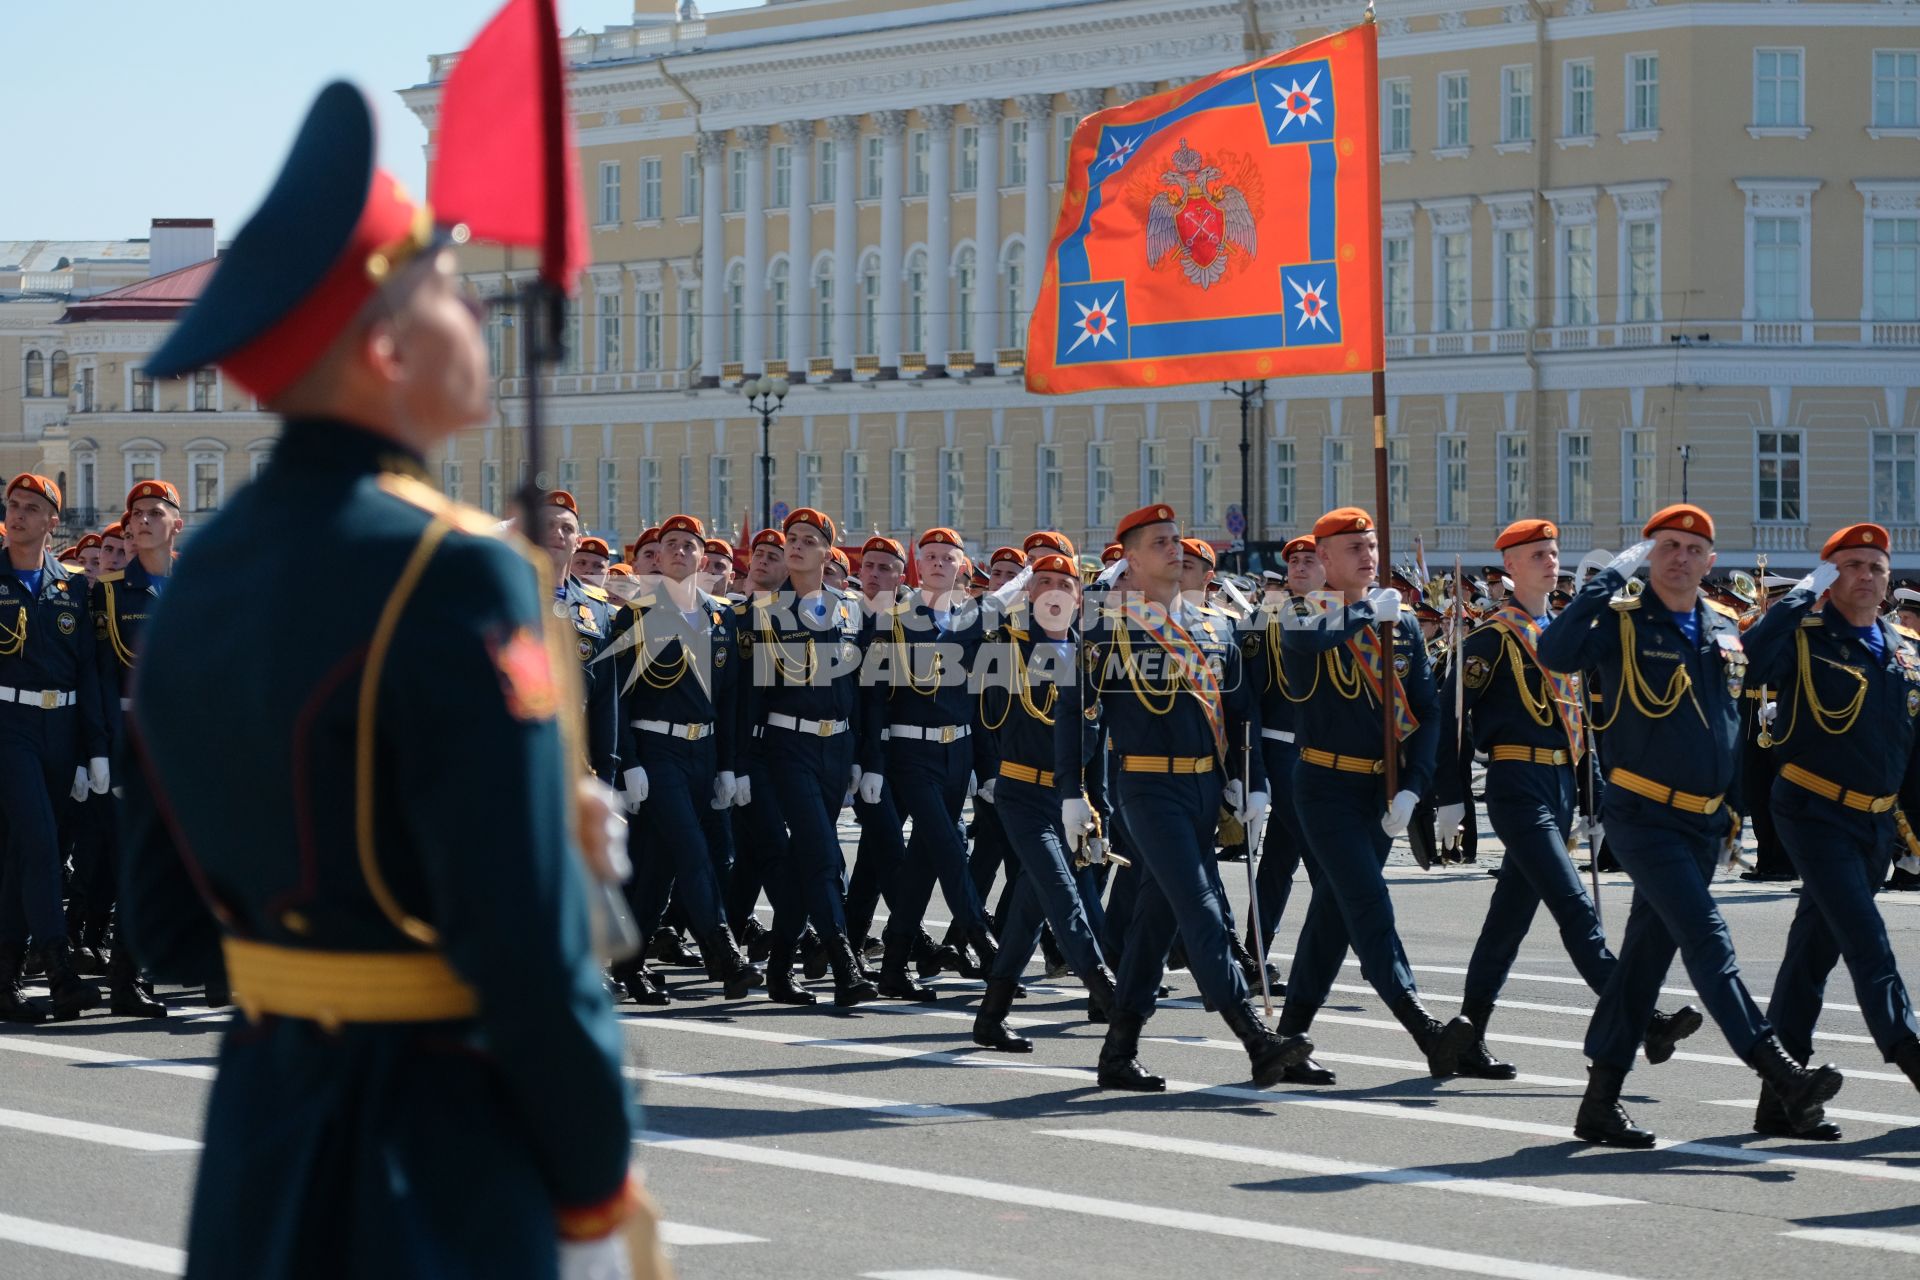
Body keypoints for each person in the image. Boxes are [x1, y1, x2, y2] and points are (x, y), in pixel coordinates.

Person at [115, 82, 654, 1277]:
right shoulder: (460, 571)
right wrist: (595, 1180)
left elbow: (163, 924)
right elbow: (521, 948)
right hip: (438, 1165)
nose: (481, 314)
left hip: (263, 1143)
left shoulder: (195, 578)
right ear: (387, 347)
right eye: (453, 291)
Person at [1539, 503, 1844, 1147]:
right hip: (1643, 814)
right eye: (1666, 546)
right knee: (1708, 939)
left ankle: (1600, 1102)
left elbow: (1743, 696)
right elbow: (1555, 650)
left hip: (1703, 823)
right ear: (1649, 557)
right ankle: (1781, 1073)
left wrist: (1808, 593)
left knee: (1644, 961)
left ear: (1710, 561)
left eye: (1693, 548)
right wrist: (1604, 581)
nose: (1680, 557)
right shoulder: (1621, 622)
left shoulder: (1722, 628)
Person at [1435, 518, 1700, 1079]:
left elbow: (1582, 725)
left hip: (1560, 786)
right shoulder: (1489, 639)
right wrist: (1450, 796)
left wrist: (1595, 797)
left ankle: (1467, 1035)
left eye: (1553, 553)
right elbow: (1450, 723)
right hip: (1516, 786)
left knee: (1506, 925)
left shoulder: (1566, 637)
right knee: (1577, 911)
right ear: (1508, 566)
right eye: (1536, 554)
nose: (1550, 562)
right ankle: (1644, 1020)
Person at [1061, 504, 1311, 1091]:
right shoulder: (1107, 625)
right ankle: (1255, 1038)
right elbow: (1079, 713)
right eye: (1160, 542)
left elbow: (1242, 711)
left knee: (1156, 918)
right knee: (1201, 908)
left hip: (1204, 788)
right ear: (1130, 558)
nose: (1176, 549)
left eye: (1177, 540)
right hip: (1146, 787)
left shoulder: (1216, 626)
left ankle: (1118, 1050)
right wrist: (1074, 790)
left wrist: (1249, 782)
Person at [1274, 507, 1474, 1083]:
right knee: (1369, 905)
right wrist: (1365, 611)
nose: (1367, 555)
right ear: (1326, 558)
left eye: (1371, 545)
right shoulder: (1301, 612)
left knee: (1331, 921)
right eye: (1353, 548)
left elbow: (1429, 712)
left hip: (1381, 792)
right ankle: (1425, 1030)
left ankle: (1287, 1041)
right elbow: (1310, 647)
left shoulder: (1402, 621)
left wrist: (1416, 789)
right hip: (1325, 788)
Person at [1741, 522, 1920, 1135]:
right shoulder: (1804, 637)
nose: (1866, 576)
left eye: (1875, 566)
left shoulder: (1901, 649)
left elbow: (1910, 748)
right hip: (1814, 812)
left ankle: (1780, 1098)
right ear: (1829, 576)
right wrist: (1799, 597)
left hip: (1875, 825)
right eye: (1850, 565)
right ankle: (1912, 1051)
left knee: (1812, 955)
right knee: (1869, 943)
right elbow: (1753, 659)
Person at [972, 551, 1118, 1050]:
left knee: (1029, 914)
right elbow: (957, 637)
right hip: (1022, 795)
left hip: (1070, 802)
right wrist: (1001, 598)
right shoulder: (1003, 647)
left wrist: (1096, 813)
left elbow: (1093, 742)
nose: (1054, 591)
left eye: (1065, 584)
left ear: (1080, 598)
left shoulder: (1091, 656)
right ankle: (1113, 998)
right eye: (1043, 582)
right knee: (1064, 898)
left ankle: (991, 1016)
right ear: (1029, 594)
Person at [613, 513, 759, 1006]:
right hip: (656, 751)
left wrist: (729, 767)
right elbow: (618, 698)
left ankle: (629, 967)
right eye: (669, 544)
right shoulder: (635, 615)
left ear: (703, 556)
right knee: (694, 852)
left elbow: (732, 701)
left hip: (703, 750)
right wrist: (627, 762)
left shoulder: (721, 617)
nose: (678, 552)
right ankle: (725, 953)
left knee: (660, 867)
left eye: (688, 545)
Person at [736, 507, 879, 1006]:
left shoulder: (851, 609)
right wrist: (740, 765)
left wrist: (867, 756)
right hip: (785, 746)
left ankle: (779, 969)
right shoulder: (764, 610)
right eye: (791, 538)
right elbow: (748, 697)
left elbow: (866, 691)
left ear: (827, 551)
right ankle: (844, 965)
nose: (795, 546)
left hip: (836, 745)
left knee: (804, 859)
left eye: (807, 540)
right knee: (822, 854)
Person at [865, 527, 1000, 998]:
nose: (939, 563)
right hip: (910, 751)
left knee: (924, 861)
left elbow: (981, 701)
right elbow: (875, 698)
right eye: (931, 556)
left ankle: (894, 965)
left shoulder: (975, 621)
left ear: (963, 566)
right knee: (948, 847)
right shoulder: (894, 618)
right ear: (918, 565)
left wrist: (988, 772)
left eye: (948, 557)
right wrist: (871, 762)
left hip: (957, 751)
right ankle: (984, 942)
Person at [0, 473, 109, 1024]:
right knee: (42, 846)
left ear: (51, 521)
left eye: (30, 508)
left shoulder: (71, 587)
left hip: (60, 729)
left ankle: (4, 977)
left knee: (25, 854)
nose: (17, 515)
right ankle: (61, 972)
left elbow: (87, 672)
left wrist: (95, 751)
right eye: (12, 506)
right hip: (8, 724)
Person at [86, 480, 189, 1018]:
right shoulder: (106, 593)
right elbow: (100, 680)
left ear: (177, 525)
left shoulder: (198, 592)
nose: (144, 521)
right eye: (136, 515)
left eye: (156, 513)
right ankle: (126, 976)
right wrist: (102, 751)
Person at [1239, 534, 1319, 997]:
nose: (1302, 568)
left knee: (1279, 864)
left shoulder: (1338, 617)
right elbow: (1247, 701)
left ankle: (1253, 957)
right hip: (1282, 749)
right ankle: (1370, 949)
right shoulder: (1260, 622)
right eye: (1296, 563)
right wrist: (1251, 774)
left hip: (1326, 754)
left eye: (1311, 560)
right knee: (1324, 863)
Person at [541, 491, 627, 789]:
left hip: (576, 763)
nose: (558, 534)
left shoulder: (596, 610)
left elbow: (605, 701)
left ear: (577, 542)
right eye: (548, 526)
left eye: (567, 528)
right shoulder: (509, 595)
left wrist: (606, 775)